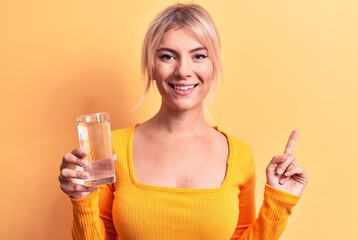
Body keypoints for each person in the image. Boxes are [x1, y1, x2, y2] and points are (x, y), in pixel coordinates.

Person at [59, 3, 308, 240]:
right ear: (152, 66)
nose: (183, 71)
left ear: (213, 65)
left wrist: (279, 202)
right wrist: (82, 200)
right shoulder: (111, 149)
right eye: (168, 56)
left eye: (198, 56)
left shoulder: (239, 155)